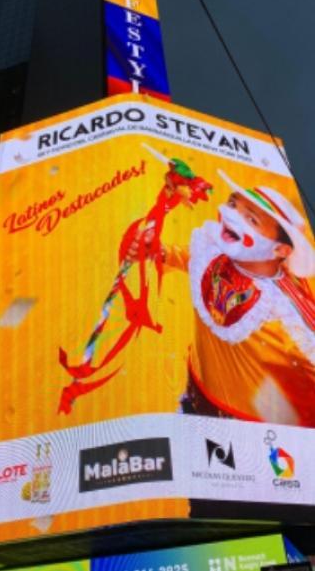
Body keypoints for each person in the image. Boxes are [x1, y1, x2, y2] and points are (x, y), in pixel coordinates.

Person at [132, 170, 315, 425]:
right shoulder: (218, 253)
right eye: (232, 204)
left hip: (245, 433)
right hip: (197, 394)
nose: (232, 216)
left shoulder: (285, 317)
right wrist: (159, 252)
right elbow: (194, 259)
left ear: (280, 250)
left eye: (251, 219)